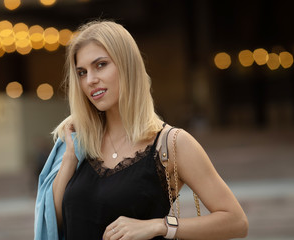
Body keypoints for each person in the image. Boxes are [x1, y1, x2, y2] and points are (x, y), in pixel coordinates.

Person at [34, 20, 248, 240]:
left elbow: (236, 221)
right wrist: (70, 157)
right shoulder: (78, 145)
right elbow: (55, 222)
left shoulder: (172, 143)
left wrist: (160, 226)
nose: (90, 80)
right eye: (81, 72)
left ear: (127, 65)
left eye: (101, 65)